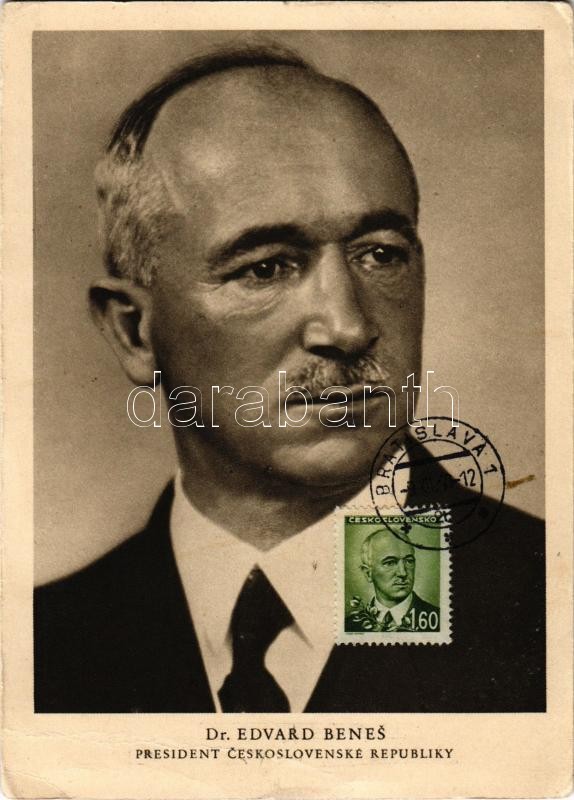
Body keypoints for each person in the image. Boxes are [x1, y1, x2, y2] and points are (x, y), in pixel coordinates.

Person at [34, 44, 545, 713]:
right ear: (133, 331)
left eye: (380, 254)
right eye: (266, 268)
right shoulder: (39, 652)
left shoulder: (547, 607)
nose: (348, 327)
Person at [345, 530, 440, 633]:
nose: (403, 573)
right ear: (368, 573)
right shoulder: (350, 625)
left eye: (409, 561)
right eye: (390, 563)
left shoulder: (440, 620)